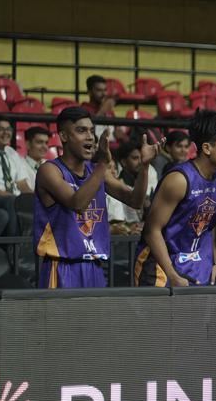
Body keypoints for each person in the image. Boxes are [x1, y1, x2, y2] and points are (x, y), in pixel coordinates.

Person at [33, 107, 157, 289]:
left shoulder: (97, 172)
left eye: (92, 131)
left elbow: (135, 201)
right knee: (61, 319)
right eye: (81, 130)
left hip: (95, 265)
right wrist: (103, 164)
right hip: (61, 266)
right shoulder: (49, 170)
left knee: (95, 319)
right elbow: (77, 203)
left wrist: (144, 167)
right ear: (64, 136)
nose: (90, 136)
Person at [134, 111, 216, 287]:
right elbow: (152, 230)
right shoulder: (179, 180)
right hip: (162, 268)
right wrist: (171, 274)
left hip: (199, 266)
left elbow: (209, 226)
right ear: (206, 148)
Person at [107, 138, 159, 233]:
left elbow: (137, 203)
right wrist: (128, 228)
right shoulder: (114, 184)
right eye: (135, 158)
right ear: (123, 162)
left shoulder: (144, 175)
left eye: (141, 157)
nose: (139, 161)